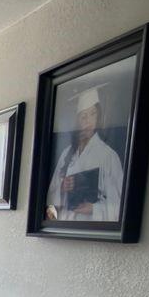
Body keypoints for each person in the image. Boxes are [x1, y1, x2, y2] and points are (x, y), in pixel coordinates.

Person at [45, 87, 125, 222]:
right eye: (83, 116)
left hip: (90, 229)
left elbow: (120, 205)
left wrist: (94, 209)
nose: (88, 121)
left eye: (93, 114)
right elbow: (50, 206)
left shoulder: (109, 156)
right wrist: (62, 188)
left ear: (98, 116)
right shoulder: (66, 154)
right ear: (77, 120)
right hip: (65, 228)